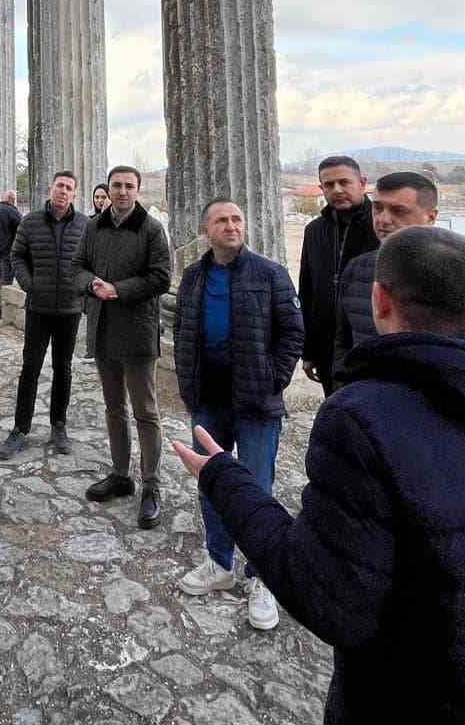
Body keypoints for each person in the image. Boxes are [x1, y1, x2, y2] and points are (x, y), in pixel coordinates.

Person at [174, 227, 465, 725]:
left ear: (379, 302)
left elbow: (328, 600)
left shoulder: (362, 417)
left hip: (410, 702)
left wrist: (224, 479)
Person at [173, 198, 304, 630]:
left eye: (236, 219)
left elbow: (292, 331)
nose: (231, 226)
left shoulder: (269, 274)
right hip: (208, 401)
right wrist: (188, 385)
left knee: (256, 489)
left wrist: (274, 379)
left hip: (256, 403)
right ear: (206, 229)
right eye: (221, 220)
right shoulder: (193, 277)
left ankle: (261, 575)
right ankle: (219, 562)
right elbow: (182, 332)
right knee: (211, 483)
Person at [333, 171, 465, 369]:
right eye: (378, 208)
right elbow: (343, 342)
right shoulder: (357, 269)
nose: (383, 219)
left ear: (431, 216)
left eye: (398, 211)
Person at [75, 165, 172, 528]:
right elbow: (77, 266)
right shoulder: (93, 226)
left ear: (138, 190)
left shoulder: (150, 229)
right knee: (114, 407)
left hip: (137, 331)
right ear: (108, 189)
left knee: (145, 411)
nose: (122, 192)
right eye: (116, 185)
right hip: (103, 330)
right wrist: (91, 284)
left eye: (129, 186)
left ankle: (151, 485)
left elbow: (161, 277)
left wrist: (118, 289)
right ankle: (120, 474)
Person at [0, 172, 89, 459]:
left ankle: (58, 426)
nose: (63, 191)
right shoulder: (30, 221)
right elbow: (17, 256)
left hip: (69, 309)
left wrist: (82, 288)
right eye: (60, 186)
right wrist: (29, 284)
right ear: (50, 189)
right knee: (31, 369)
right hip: (39, 307)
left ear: (75, 193)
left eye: (69, 188)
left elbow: (91, 263)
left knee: (63, 369)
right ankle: (20, 429)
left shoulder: (85, 225)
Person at [297, 156, 377, 394]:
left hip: (369, 346)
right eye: (329, 185)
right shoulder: (314, 230)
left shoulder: (381, 225)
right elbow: (308, 291)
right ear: (321, 189)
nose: (337, 190)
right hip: (327, 349)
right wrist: (309, 351)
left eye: (344, 182)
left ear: (362, 183)